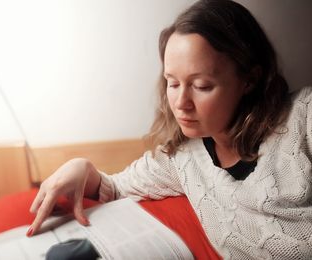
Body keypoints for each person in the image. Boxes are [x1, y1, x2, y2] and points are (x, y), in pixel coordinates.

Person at [27, 0, 312, 259]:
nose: (180, 103)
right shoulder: (181, 160)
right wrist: (80, 167)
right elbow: (115, 187)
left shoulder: (304, 116)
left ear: (249, 80)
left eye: (201, 86)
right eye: (172, 83)